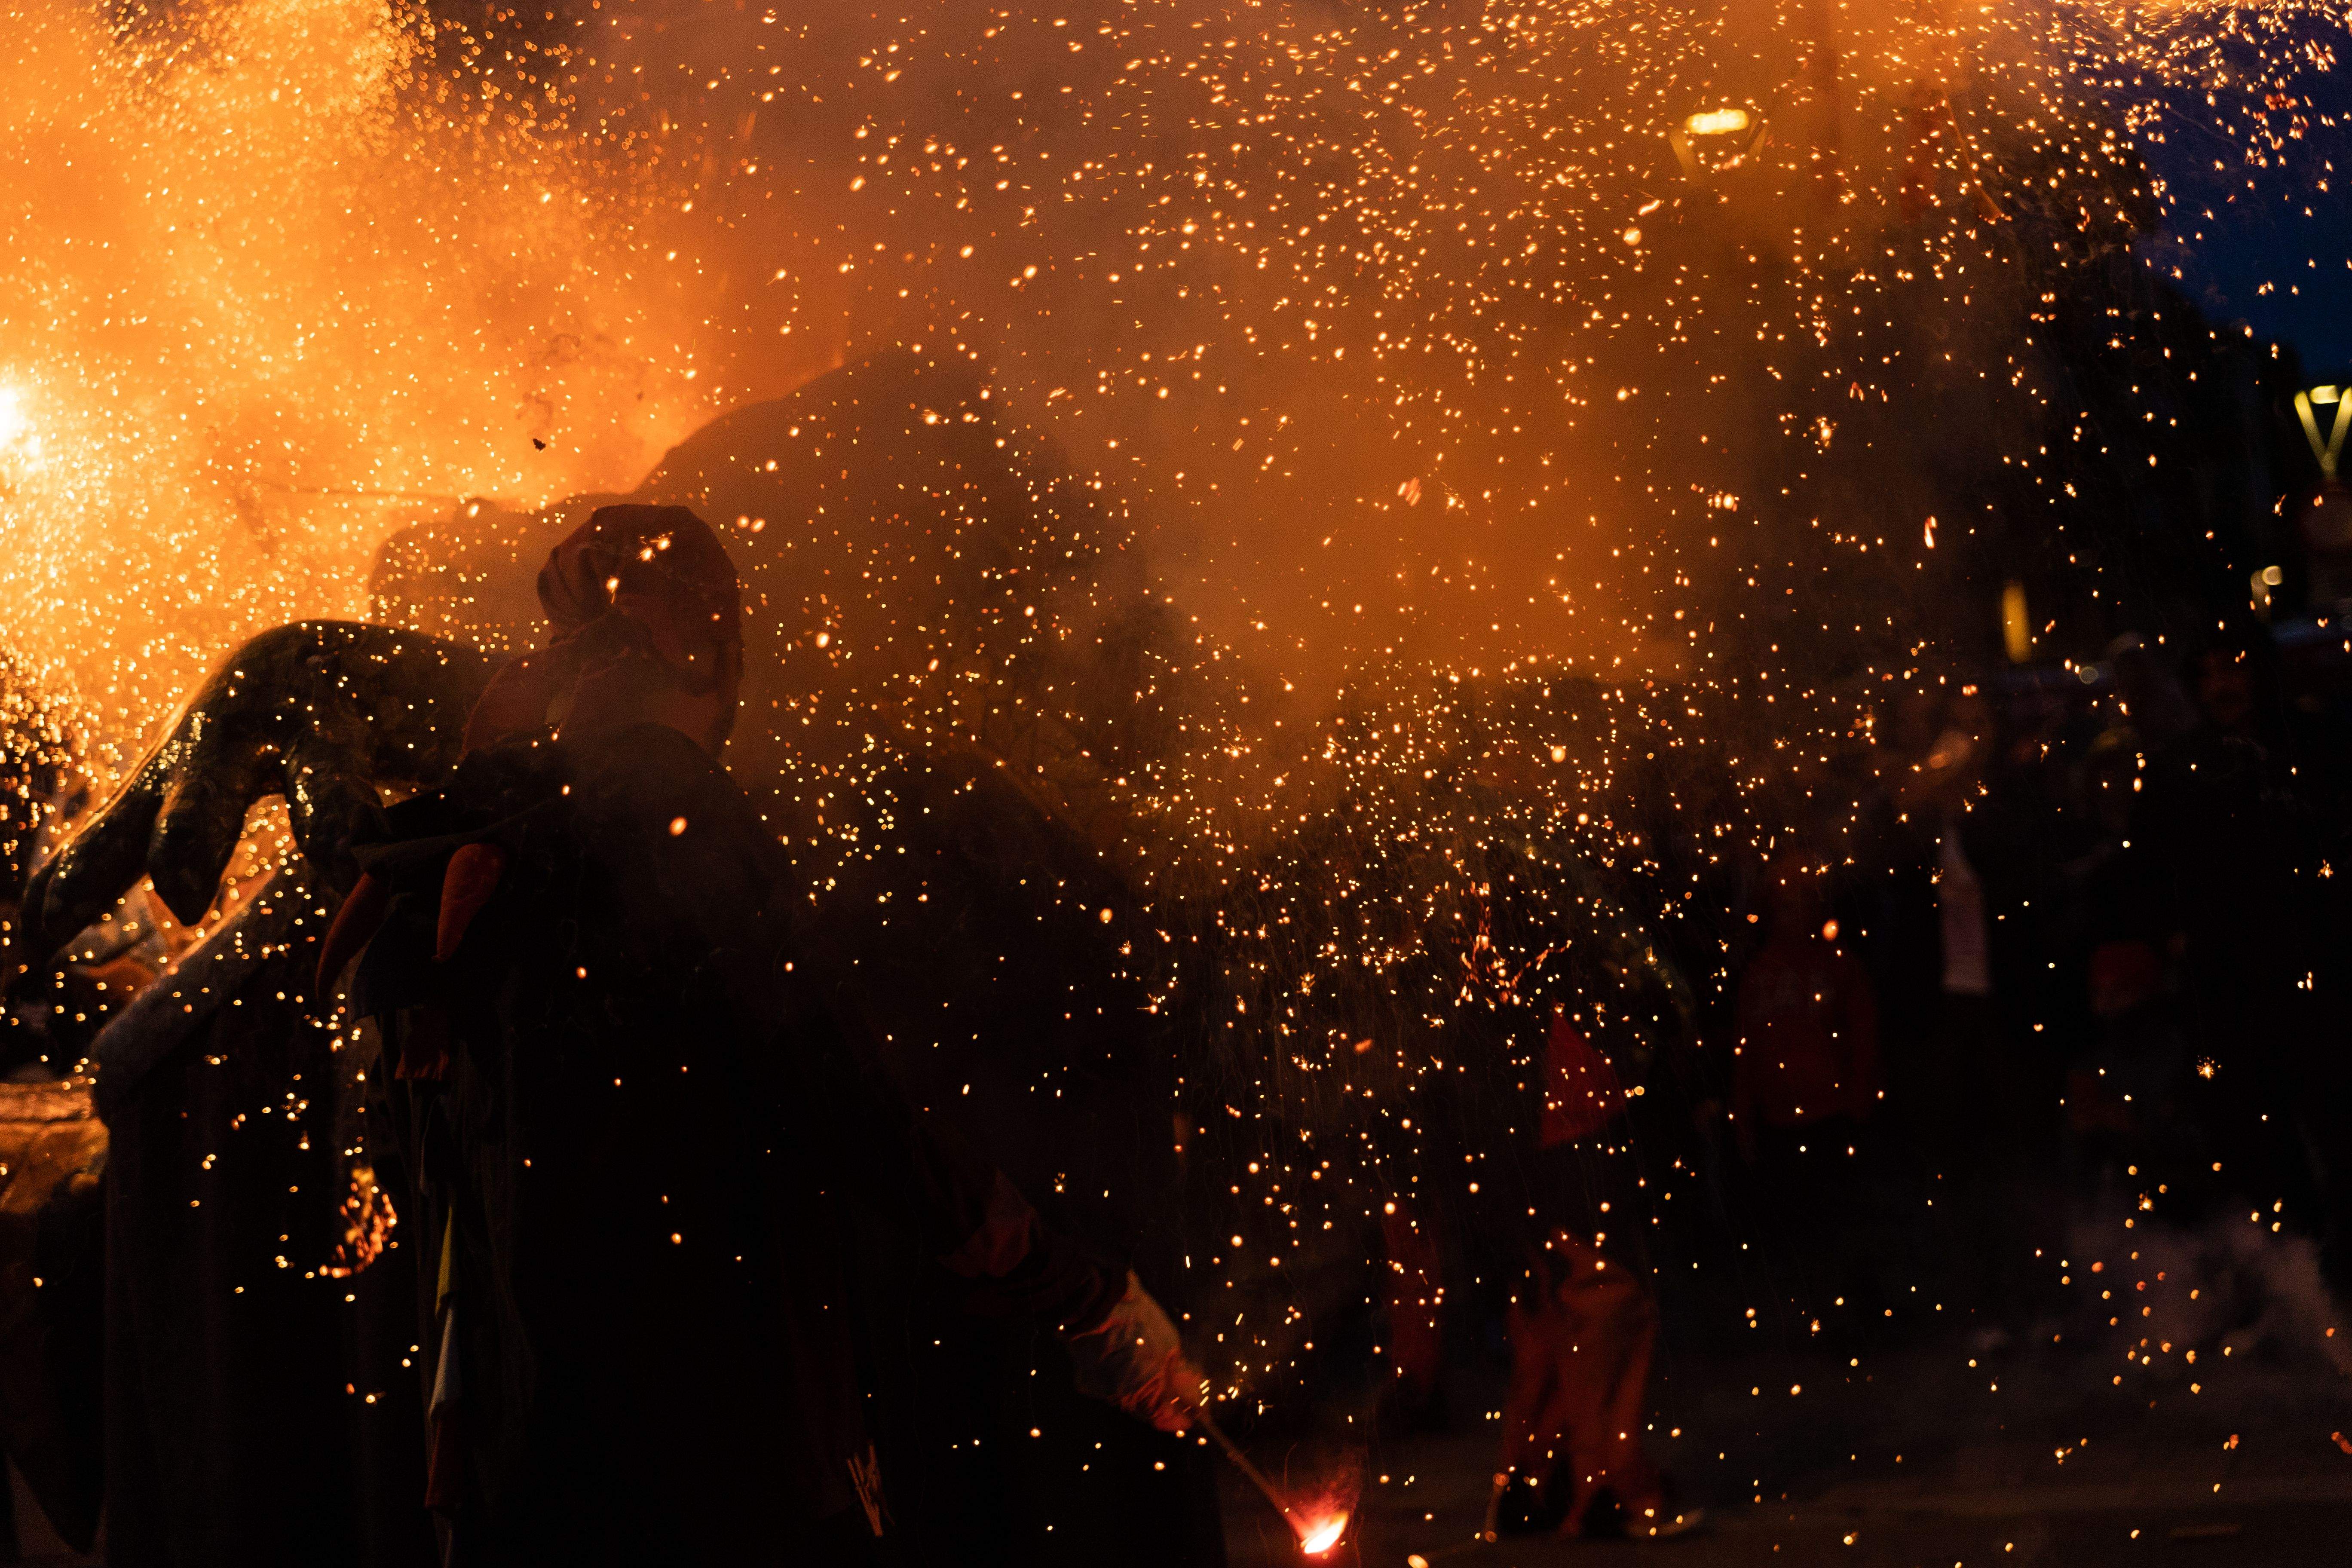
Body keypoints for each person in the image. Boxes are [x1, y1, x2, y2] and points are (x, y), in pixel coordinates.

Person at [320, 505, 1202, 1565]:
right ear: (705, 650)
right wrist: (1087, 1296)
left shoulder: (456, 853)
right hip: (718, 1463)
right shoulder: (668, 806)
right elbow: (848, 1095)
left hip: (518, 1480)